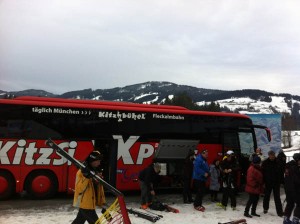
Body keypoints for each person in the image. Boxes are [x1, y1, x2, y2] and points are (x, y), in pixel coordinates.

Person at [72, 151, 106, 224]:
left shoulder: (94, 171)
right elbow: (79, 188)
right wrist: (86, 177)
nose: (99, 163)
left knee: (79, 221)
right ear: (93, 161)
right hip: (86, 204)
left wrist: (102, 203)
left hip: (88, 204)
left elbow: (97, 189)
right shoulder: (81, 172)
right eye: (98, 161)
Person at [261, 150, 283, 217]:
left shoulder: (278, 162)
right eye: (270, 155)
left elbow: (281, 172)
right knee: (266, 196)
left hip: (276, 183)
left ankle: (279, 212)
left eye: (273, 155)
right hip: (268, 183)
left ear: (274, 155)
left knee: (277, 197)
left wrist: (281, 181)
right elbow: (262, 174)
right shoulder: (265, 163)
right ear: (269, 155)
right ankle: (265, 208)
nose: (272, 157)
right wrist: (263, 182)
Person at [283, 153, 300, 224]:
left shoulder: (288, 166)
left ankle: (286, 219)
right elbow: (297, 180)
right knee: (299, 204)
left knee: (290, 203)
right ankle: (295, 220)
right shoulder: (295, 167)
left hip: (288, 188)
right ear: (297, 160)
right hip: (295, 189)